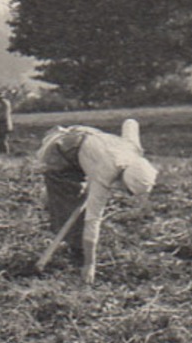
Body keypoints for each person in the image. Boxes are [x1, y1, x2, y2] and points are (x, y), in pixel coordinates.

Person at [34, 119, 157, 285]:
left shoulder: (133, 149)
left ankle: (51, 201)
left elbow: (130, 122)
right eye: (127, 190)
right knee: (70, 205)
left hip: (85, 139)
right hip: (61, 150)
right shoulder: (106, 175)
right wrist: (90, 264)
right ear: (124, 181)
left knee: (72, 195)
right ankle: (77, 252)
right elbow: (93, 219)